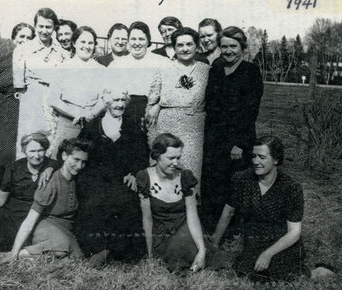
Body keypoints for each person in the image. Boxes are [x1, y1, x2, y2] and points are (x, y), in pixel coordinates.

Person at [211, 136, 309, 282]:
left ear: (276, 160)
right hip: (254, 241)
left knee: (283, 276)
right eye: (254, 156)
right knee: (247, 273)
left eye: (262, 157)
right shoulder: (242, 179)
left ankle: (319, 271)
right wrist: (214, 245)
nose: (256, 161)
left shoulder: (291, 188)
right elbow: (228, 212)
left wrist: (268, 254)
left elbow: (294, 233)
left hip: (281, 244)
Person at [75, 88, 149, 265]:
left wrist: (135, 173)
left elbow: (142, 154)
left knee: (126, 203)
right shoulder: (92, 127)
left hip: (123, 179)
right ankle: (98, 250)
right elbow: (80, 151)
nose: (120, 104)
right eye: (116, 100)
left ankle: (116, 251)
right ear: (106, 102)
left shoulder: (131, 126)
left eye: (123, 101)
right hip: (96, 180)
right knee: (94, 203)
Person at [201, 26, 263, 225]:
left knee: (233, 183)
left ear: (242, 47)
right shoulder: (216, 70)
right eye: (224, 46)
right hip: (214, 137)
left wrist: (240, 144)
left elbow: (250, 112)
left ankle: (233, 229)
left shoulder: (251, 72)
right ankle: (211, 227)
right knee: (213, 180)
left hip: (238, 140)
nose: (228, 51)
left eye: (233, 46)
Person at [0, 138, 93, 262]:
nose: (79, 166)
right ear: (64, 155)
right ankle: (18, 254)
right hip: (46, 227)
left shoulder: (78, 179)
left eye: (83, 162)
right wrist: (14, 251)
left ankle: (37, 257)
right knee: (61, 246)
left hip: (65, 229)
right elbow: (29, 220)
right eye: (76, 160)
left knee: (77, 258)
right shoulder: (50, 182)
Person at [0, 133, 59, 250]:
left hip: (35, 215)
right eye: (32, 151)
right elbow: (1, 196)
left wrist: (51, 168)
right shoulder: (15, 168)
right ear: (24, 151)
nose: (37, 155)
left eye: (41, 150)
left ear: (46, 150)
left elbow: (64, 167)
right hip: (11, 213)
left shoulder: (54, 166)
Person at [146, 27, 209, 196]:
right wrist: (153, 137)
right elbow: (152, 102)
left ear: (197, 46)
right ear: (174, 47)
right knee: (164, 173)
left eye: (189, 44)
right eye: (180, 45)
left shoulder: (206, 70)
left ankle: (190, 217)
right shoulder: (163, 68)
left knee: (190, 175)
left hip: (194, 129)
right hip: (166, 127)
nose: (185, 48)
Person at [136, 133, 206, 272]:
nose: (176, 163)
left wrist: (202, 250)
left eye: (178, 158)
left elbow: (192, 216)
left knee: (189, 251)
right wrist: (150, 255)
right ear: (157, 155)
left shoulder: (185, 177)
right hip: (159, 234)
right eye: (171, 158)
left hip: (183, 231)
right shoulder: (144, 178)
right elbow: (147, 218)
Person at [13, 7, 69, 159]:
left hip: (56, 100)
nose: (44, 30)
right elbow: (19, 84)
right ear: (36, 26)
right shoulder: (22, 50)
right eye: (41, 26)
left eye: (48, 27)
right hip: (32, 101)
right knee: (30, 141)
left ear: (54, 28)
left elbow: (66, 80)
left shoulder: (63, 53)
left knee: (53, 140)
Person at [48, 26, 106, 159]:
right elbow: (53, 99)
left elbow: (105, 98)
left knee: (90, 163)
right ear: (74, 43)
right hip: (68, 123)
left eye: (90, 43)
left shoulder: (101, 70)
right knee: (61, 162)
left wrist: (89, 115)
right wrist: (77, 114)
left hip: (92, 125)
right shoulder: (62, 67)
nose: (87, 46)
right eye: (83, 42)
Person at [0, 23, 35, 167]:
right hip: (3, 110)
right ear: (14, 39)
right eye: (22, 36)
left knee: (18, 151)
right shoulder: (1, 62)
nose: (25, 40)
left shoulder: (36, 63)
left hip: (26, 111)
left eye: (30, 38)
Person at [110, 21, 170, 127]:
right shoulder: (117, 64)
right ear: (128, 41)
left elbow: (171, 91)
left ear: (148, 41)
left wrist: (157, 106)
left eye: (141, 39)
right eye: (133, 39)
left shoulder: (162, 62)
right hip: (124, 114)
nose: (137, 43)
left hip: (154, 114)